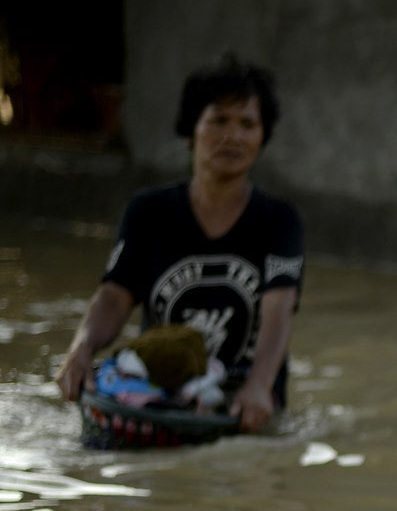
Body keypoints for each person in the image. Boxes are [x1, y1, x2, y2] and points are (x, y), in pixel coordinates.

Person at [55, 54, 304, 433]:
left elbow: (279, 309)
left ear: (262, 136)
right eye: (219, 120)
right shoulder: (148, 213)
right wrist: (81, 349)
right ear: (191, 130)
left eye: (247, 124)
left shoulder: (279, 220)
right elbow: (114, 296)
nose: (233, 136)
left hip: (243, 406)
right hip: (157, 397)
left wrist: (259, 386)